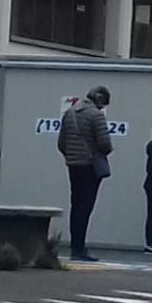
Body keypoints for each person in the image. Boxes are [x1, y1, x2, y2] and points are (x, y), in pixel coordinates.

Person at [57, 86, 113, 262]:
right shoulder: (96, 116)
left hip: (73, 165)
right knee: (86, 207)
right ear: (99, 98)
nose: (103, 108)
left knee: (76, 205)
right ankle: (80, 249)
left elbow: (61, 143)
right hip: (90, 166)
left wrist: (72, 156)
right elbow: (105, 144)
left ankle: (75, 246)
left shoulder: (69, 113)